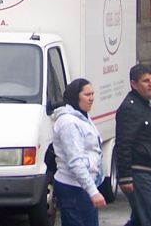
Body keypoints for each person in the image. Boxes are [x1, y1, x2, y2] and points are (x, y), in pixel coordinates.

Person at [115, 63, 151, 226]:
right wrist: (125, 178)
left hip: (150, 171)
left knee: (140, 219)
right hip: (139, 174)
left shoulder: (149, 104)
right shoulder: (129, 108)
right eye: (146, 81)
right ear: (134, 84)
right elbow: (123, 145)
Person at [52, 78, 106, 226]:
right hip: (74, 187)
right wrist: (93, 191)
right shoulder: (69, 123)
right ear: (76, 96)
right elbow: (75, 161)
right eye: (87, 95)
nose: (92, 98)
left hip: (82, 186)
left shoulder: (82, 117)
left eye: (93, 94)